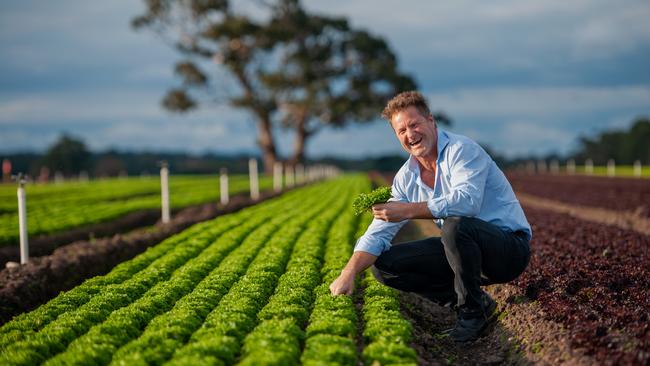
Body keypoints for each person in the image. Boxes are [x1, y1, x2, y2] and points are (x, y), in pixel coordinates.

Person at [329, 91, 531, 342]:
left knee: (455, 225)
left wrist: (409, 210)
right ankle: (472, 302)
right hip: (464, 251)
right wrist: (348, 273)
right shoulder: (406, 177)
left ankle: (472, 316)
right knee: (385, 265)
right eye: (401, 130)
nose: (410, 134)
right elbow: (378, 232)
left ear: (431, 121)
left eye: (414, 124)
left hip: (507, 250)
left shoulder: (461, 150)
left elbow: (467, 203)